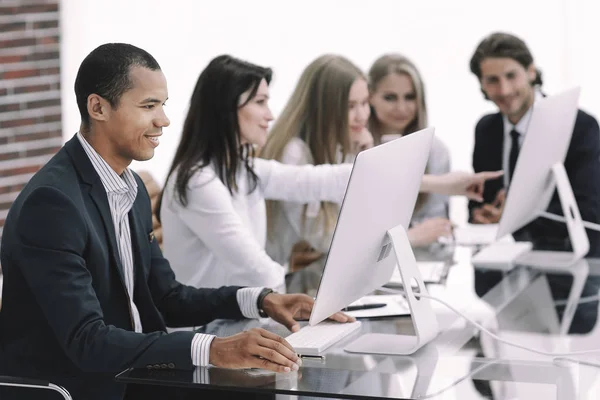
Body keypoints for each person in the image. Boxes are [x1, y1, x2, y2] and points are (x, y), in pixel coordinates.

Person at [0, 43, 353, 400]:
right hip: (83, 388)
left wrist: (261, 300)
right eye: (148, 106)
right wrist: (214, 349)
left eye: (163, 105)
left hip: (137, 376)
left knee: (280, 384)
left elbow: (167, 296)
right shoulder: (53, 204)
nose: (163, 120)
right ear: (98, 107)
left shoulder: (130, 188)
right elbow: (87, 340)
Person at [160, 54, 502, 294]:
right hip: (210, 331)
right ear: (226, 111)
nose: (270, 114)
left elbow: (330, 180)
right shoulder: (199, 181)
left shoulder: (244, 170)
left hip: (243, 314)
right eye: (260, 102)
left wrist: (442, 184)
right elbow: (259, 270)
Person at [468, 32, 600, 333]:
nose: (504, 89)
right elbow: (480, 205)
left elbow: (589, 214)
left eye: (511, 76)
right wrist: (483, 217)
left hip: (573, 275)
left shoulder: (579, 127)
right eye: (492, 80)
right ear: (481, 85)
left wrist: (516, 218)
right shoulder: (487, 130)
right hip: (503, 276)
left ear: (531, 71)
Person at [368, 53, 452, 248]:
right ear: (370, 96)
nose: (401, 107)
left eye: (410, 97)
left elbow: (436, 225)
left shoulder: (436, 151)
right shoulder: (356, 147)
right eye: (390, 98)